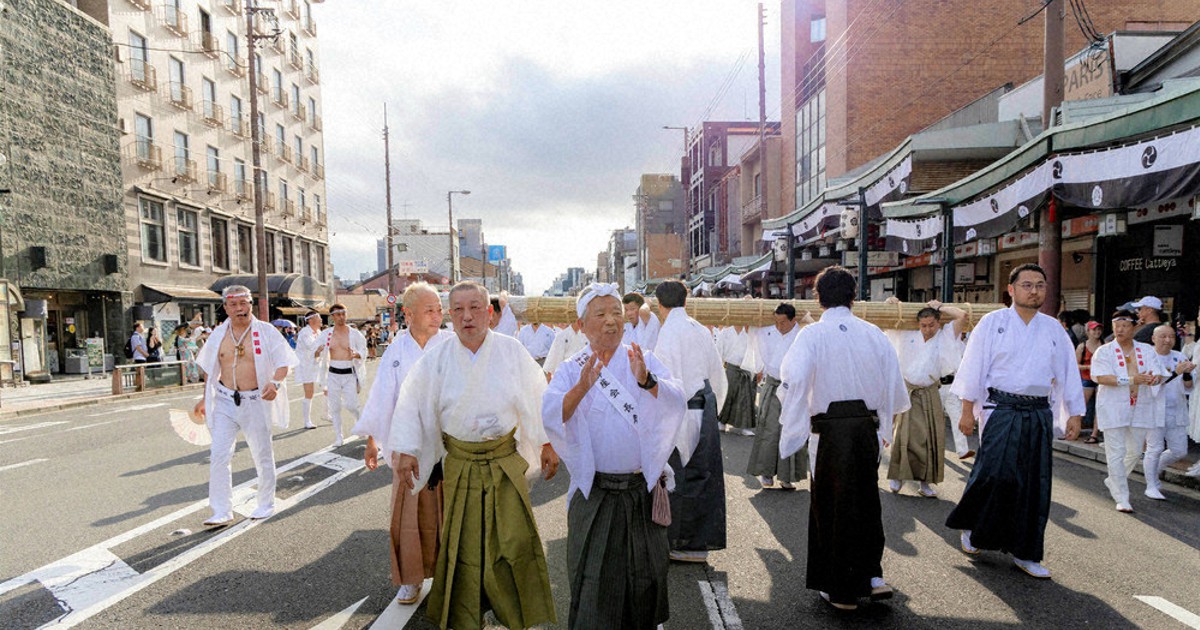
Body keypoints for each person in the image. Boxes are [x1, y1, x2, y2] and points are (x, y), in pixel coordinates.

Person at [389, 281, 558, 630]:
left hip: (502, 461)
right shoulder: (435, 360)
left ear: (490, 312)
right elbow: (412, 404)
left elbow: (537, 396)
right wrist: (406, 449)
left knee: (513, 539)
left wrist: (546, 443)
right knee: (464, 544)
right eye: (459, 309)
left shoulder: (512, 351)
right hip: (461, 463)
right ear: (451, 315)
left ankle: (521, 616)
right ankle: (468, 616)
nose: (467, 316)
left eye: (475, 308)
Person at [542, 283, 686, 630]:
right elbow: (551, 414)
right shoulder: (569, 368)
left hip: (641, 490)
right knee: (593, 582)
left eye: (617, 314)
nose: (611, 322)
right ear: (580, 325)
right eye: (601, 315)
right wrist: (581, 387)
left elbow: (676, 400)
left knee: (645, 578)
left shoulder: (644, 358)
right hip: (595, 494)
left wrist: (648, 381)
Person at [777, 266, 908, 610]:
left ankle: (841, 589)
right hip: (866, 427)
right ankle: (872, 576)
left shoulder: (811, 335)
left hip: (831, 430)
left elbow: (793, 379)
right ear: (854, 297)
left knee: (832, 504)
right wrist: (882, 431)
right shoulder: (874, 333)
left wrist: (792, 422)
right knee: (867, 501)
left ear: (817, 298)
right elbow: (893, 389)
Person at [946, 263, 1084, 579]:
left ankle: (1027, 552)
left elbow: (1067, 374)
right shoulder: (992, 323)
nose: (1034, 290)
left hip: (1038, 412)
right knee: (993, 474)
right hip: (1000, 409)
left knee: (1035, 483)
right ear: (1011, 290)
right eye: (1026, 285)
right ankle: (972, 527)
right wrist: (967, 411)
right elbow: (973, 368)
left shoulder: (1053, 329)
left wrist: (1074, 413)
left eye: (1040, 285)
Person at [352, 283, 454, 605]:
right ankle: (410, 579)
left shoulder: (451, 344)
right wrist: (372, 440)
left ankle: (451, 578)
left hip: (447, 443)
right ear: (408, 313)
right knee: (407, 515)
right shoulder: (396, 351)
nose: (437, 315)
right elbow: (383, 397)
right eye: (429, 310)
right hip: (407, 442)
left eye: (439, 309)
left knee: (450, 512)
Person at [192, 285, 297, 526]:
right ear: (226, 308)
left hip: (255, 400)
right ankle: (221, 510)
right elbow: (210, 369)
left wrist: (275, 382)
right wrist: (204, 398)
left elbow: (284, 362)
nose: (240, 309)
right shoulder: (218, 334)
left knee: (261, 454)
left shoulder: (266, 331)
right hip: (226, 400)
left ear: (251, 304)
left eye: (244, 303)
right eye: (234, 304)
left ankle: (265, 503)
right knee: (219, 455)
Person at [653, 279, 727, 563]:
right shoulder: (699, 329)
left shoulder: (669, 332)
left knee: (676, 477)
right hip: (704, 406)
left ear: (660, 305)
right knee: (701, 476)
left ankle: (678, 541)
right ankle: (698, 543)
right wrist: (712, 408)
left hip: (681, 410)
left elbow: (665, 381)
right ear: (686, 300)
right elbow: (717, 376)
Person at [884, 299, 967, 498]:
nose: (927, 329)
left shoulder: (945, 335)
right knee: (903, 436)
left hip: (931, 391)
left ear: (938, 323)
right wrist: (891, 302)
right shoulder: (907, 334)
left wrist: (940, 307)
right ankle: (898, 477)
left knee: (930, 437)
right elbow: (887, 323)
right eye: (923, 325)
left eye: (931, 325)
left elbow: (962, 316)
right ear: (918, 324)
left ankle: (925, 482)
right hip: (909, 390)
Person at [1090, 310, 1163, 512]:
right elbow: (1100, 377)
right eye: (1116, 326)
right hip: (1113, 407)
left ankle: (1114, 479)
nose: (1120, 330)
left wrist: (1154, 378)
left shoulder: (1147, 350)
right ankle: (1122, 497)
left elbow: (1158, 373)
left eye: (1124, 326)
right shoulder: (1104, 351)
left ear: (1134, 327)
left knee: (1134, 451)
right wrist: (1131, 380)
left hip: (1140, 406)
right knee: (1116, 452)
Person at [746, 304, 805, 490]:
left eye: (783, 322)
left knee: (792, 429)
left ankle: (787, 476)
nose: (779, 326)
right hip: (773, 384)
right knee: (770, 429)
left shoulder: (803, 333)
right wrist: (749, 302)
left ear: (793, 320)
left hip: (795, 388)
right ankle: (767, 472)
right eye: (776, 321)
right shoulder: (767, 332)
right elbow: (750, 326)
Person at [1143, 324, 1195, 499]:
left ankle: (1154, 469)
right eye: (1163, 336)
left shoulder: (1179, 356)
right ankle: (1150, 484)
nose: (1167, 340)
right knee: (1154, 448)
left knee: (1180, 450)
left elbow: (1189, 385)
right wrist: (1175, 371)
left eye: (1171, 336)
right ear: (1153, 339)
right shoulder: (1147, 357)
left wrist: (1187, 373)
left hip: (1176, 410)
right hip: (1154, 410)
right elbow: (1154, 382)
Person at [318, 304, 367, 446]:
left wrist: (358, 354)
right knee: (334, 406)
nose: (341, 317)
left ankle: (359, 422)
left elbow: (364, 350)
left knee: (352, 405)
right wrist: (317, 352)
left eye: (343, 314)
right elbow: (314, 350)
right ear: (332, 317)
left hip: (349, 373)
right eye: (338, 314)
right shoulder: (326, 334)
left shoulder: (354, 334)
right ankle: (338, 437)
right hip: (333, 373)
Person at [715, 324, 755, 436]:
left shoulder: (749, 333)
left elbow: (753, 352)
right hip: (730, 368)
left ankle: (744, 427)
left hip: (745, 368)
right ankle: (721, 422)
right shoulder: (726, 332)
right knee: (727, 395)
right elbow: (718, 352)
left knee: (744, 398)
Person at [294, 311, 325, 430]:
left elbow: (321, 347)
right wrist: (321, 347)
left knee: (327, 387)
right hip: (306, 367)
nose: (321, 320)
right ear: (311, 320)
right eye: (319, 318)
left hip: (316, 365)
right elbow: (312, 347)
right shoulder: (305, 333)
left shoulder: (318, 332)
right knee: (309, 393)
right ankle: (307, 421)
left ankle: (326, 413)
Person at [1077, 321, 1104, 443]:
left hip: (1101, 379)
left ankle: (1094, 434)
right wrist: (1089, 367)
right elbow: (1076, 365)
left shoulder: (1104, 345)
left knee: (1100, 406)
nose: (1097, 332)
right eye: (1094, 330)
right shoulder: (1082, 346)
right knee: (1081, 405)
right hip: (1087, 378)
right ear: (1088, 331)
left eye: (1099, 330)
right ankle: (1074, 429)